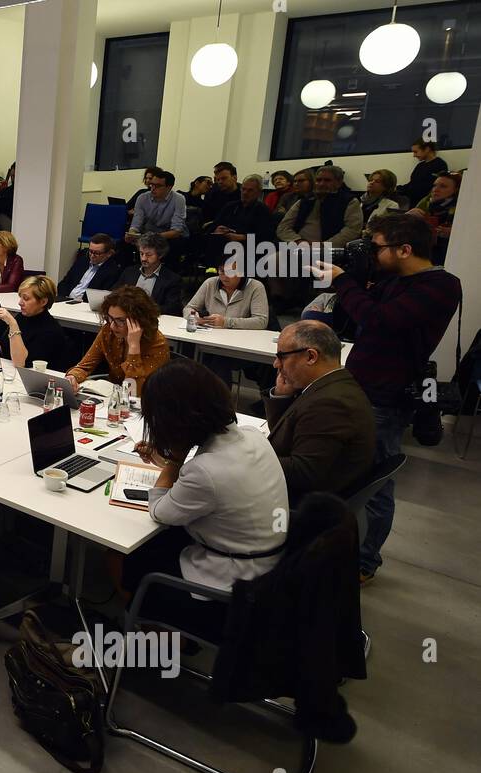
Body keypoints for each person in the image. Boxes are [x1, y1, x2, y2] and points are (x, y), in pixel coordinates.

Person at [319, 213, 461, 582]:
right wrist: (356, 278)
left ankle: (365, 562)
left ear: (405, 249)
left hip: (385, 397)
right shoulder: (395, 279)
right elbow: (354, 318)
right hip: (357, 384)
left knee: (374, 481)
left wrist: (344, 281)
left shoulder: (440, 286)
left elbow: (381, 321)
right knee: (340, 471)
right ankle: (334, 545)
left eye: (377, 247)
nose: (373, 253)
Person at [124, 359, 287, 632]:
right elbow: (215, 487)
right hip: (268, 572)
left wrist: (174, 460)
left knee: (124, 557)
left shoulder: (205, 471)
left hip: (229, 589)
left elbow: (160, 511)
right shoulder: (251, 436)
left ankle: (154, 635)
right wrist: (168, 460)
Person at [265, 321, 375, 503]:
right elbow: (285, 437)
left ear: (310, 356)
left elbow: (302, 472)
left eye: (281, 356)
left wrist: (248, 457)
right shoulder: (333, 385)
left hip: (300, 506)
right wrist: (282, 398)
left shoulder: (330, 404)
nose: (276, 364)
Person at [66, 285, 170, 397]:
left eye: (120, 321)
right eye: (110, 318)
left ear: (139, 320)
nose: (112, 326)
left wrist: (134, 347)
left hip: (145, 403)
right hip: (113, 395)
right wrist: (72, 377)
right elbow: (84, 366)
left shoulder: (157, 343)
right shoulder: (108, 331)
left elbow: (134, 392)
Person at [184, 254, 270, 385]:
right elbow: (189, 307)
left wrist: (226, 322)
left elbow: (261, 321)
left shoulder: (256, 287)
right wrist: (193, 317)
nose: (224, 276)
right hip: (209, 340)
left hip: (239, 345)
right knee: (186, 352)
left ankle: (218, 401)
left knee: (218, 361)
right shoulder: (210, 283)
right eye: (221, 271)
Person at [0, 276, 71, 371]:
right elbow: (5, 348)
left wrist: (13, 324)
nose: (20, 302)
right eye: (20, 297)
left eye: (26, 299)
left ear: (43, 301)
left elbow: (20, 363)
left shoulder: (50, 330)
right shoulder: (22, 317)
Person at [276, 164, 363, 248]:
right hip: (299, 246)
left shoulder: (349, 201)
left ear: (339, 183)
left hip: (328, 251)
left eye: (327, 180)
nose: (321, 184)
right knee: (271, 260)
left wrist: (322, 246)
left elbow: (352, 230)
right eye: (318, 180)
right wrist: (298, 241)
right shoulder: (304, 201)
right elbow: (283, 227)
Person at [204, 174, 275, 265]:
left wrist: (243, 237)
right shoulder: (230, 206)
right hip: (224, 239)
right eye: (243, 189)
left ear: (258, 192)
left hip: (248, 245)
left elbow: (266, 235)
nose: (245, 193)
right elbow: (215, 224)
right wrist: (217, 229)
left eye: (250, 190)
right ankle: (211, 272)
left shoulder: (263, 210)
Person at [115, 233, 183, 316]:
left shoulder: (172, 279)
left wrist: (144, 310)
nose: (143, 258)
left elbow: (171, 308)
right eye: (141, 253)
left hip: (153, 320)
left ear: (160, 255)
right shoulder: (129, 272)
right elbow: (115, 293)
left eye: (149, 255)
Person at [407, 172, 460, 264]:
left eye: (443, 186)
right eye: (434, 185)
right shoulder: (426, 203)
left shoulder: (462, 209)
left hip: (448, 256)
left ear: (455, 190)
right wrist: (407, 217)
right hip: (421, 252)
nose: (436, 189)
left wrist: (455, 234)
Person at [125, 170, 187, 243]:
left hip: (167, 236)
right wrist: (132, 233)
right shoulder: (142, 198)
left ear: (169, 187)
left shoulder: (179, 199)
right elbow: (136, 222)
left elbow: (176, 230)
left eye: (158, 186)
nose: (153, 188)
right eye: (152, 185)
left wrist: (153, 237)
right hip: (147, 234)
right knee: (124, 244)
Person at [60, 233, 124, 302]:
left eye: (97, 253)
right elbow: (64, 283)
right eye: (90, 251)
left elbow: (101, 297)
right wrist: (63, 298)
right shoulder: (82, 261)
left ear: (109, 254)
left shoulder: (113, 271)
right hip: (66, 300)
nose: (92, 256)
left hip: (86, 305)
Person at [398, 138, 448, 206]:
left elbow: (428, 188)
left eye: (416, 152)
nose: (414, 155)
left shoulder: (440, 165)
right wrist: (397, 189)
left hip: (428, 207)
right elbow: (412, 184)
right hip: (414, 205)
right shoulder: (420, 166)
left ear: (427, 149)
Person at [201, 162, 241, 228]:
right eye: (218, 179)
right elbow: (205, 221)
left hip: (241, 233)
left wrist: (246, 237)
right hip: (216, 232)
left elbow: (252, 227)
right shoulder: (211, 194)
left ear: (234, 178)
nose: (220, 182)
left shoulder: (245, 193)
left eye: (224, 178)